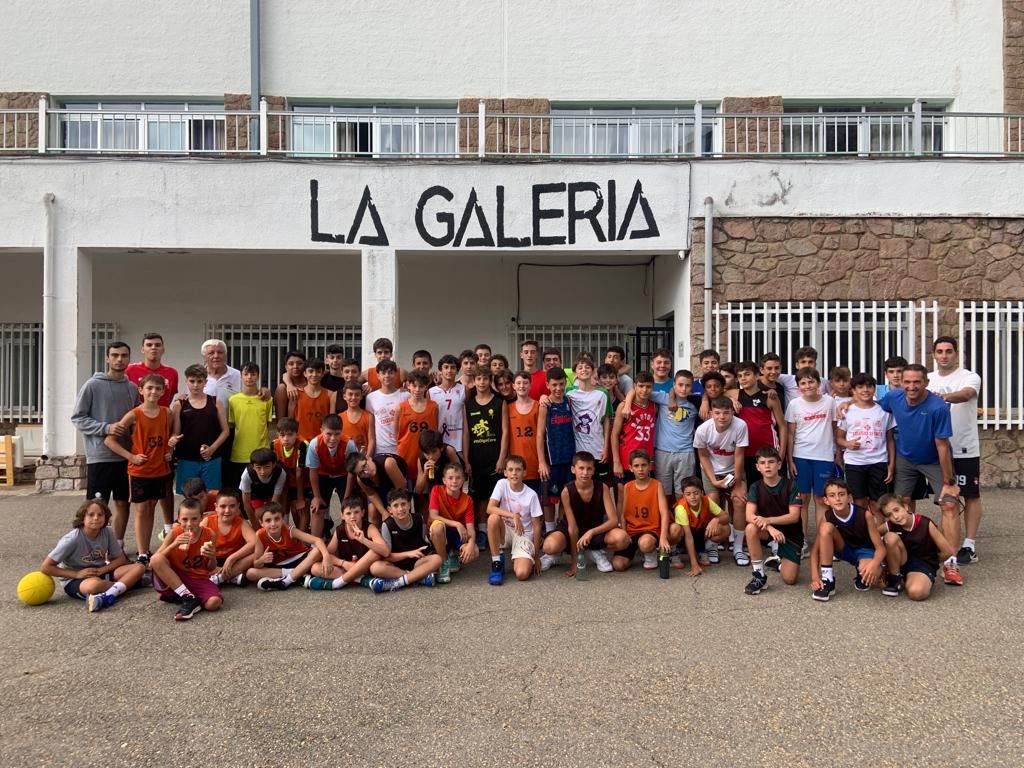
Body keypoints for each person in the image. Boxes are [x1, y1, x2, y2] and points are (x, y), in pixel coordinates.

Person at [875, 363, 963, 586]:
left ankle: (951, 563)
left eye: (917, 382)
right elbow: (871, 404)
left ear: (926, 383)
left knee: (949, 504)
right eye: (907, 382)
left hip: (934, 459)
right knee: (902, 503)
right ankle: (907, 550)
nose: (911, 386)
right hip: (906, 458)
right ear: (900, 382)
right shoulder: (894, 397)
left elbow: (942, 446)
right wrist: (845, 404)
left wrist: (949, 481)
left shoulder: (938, 407)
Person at [104, 374, 180, 564]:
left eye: (158, 388)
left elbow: (169, 438)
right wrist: (131, 456)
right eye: (150, 388)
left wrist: (170, 450)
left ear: (163, 391)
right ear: (141, 390)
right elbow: (109, 440)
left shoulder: (166, 413)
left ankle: (145, 549)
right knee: (140, 510)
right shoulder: (134, 414)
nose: (153, 392)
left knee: (151, 508)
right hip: (140, 471)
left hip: (160, 470)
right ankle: (141, 552)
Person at [71, 341, 138, 551]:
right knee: (96, 507)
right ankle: (92, 549)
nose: (119, 359)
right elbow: (78, 418)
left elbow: (137, 419)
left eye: (124, 355)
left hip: (126, 457)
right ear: (107, 358)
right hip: (99, 456)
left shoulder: (132, 388)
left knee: (123, 504)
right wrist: (106, 428)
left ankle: (116, 548)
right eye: (115, 355)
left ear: (129, 358)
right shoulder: (92, 385)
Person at [927, 336, 983, 566]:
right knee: (946, 499)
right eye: (940, 351)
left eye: (949, 351)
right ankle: (945, 544)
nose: (944, 355)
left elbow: (966, 394)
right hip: (936, 450)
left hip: (964, 447)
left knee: (970, 494)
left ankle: (969, 545)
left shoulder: (969, 377)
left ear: (956, 353)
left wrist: (943, 398)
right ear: (933, 355)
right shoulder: (927, 379)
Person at [40, 498, 146, 613]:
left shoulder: (107, 532)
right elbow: (46, 567)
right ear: (82, 518)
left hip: (100, 572)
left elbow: (120, 559)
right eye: (91, 515)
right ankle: (128, 584)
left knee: (139, 567)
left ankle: (107, 595)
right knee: (93, 586)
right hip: (76, 579)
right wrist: (77, 574)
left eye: (100, 515)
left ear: (105, 517)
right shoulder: (72, 539)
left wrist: (102, 570)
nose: (96, 518)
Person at [125, 332, 179, 541]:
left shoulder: (171, 373)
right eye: (149, 345)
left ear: (163, 348)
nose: (153, 348)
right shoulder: (131, 370)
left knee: (165, 488)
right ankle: (137, 547)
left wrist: (170, 444)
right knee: (141, 504)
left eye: (157, 344)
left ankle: (167, 527)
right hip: (139, 431)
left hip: (161, 430)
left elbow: (169, 399)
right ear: (143, 349)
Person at [540, 451, 627, 575]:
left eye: (589, 469)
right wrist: (575, 563)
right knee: (549, 546)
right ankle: (557, 554)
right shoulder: (567, 491)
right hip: (572, 528)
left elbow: (613, 520)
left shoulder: (602, 488)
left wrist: (591, 532)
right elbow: (572, 528)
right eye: (581, 468)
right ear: (573, 469)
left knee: (622, 539)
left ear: (593, 470)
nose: (585, 473)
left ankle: (593, 550)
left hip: (594, 529)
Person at [629, 369, 701, 506]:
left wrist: (704, 400)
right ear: (673, 385)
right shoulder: (663, 397)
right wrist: (627, 404)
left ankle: (681, 522)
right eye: (680, 385)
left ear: (692, 387)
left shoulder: (695, 404)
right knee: (664, 491)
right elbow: (637, 391)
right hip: (662, 451)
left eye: (687, 385)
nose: (684, 389)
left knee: (683, 492)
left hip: (685, 453)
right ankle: (667, 520)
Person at [784, 367, 838, 548]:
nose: (808, 386)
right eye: (803, 383)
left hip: (824, 456)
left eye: (811, 381)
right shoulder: (794, 405)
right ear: (798, 386)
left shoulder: (830, 402)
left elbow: (835, 428)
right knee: (803, 500)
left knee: (822, 499)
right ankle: (802, 539)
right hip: (801, 456)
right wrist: (790, 459)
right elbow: (791, 433)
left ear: (819, 383)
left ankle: (824, 540)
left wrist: (838, 452)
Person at [809, 479, 886, 601]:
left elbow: (880, 547)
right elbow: (815, 552)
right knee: (826, 528)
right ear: (826, 500)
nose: (837, 499)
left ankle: (865, 572)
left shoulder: (865, 515)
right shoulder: (827, 516)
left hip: (864, 550)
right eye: (832, 495)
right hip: (843, 549)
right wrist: (815, 577)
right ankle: (827, 580)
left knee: (874, 576)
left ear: (849, 497)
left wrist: (874, 564)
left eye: (841, 494)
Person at [693, 396, 749, 564]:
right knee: (712, 501)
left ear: (733, 412)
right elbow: (702, 456)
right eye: (717, 413)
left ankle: (738, 547)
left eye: (726, 413)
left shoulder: (740, 425)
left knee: (739, 501)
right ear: (711, 414)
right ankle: (712, 545)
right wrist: (713, 480)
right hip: (712, 470)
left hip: (733, 470)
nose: (722, 417)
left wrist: (738, 485)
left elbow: (739, 456)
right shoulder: (703, 430)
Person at [149, 498, 222, 621]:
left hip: (198, 578)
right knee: (157, 559)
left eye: (194, 519)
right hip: (177, 577)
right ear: (178, 519)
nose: (189, 524)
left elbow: (210, 567)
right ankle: (188, 597)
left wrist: (212, 556)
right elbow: (153, 562)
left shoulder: (209, 534)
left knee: (214, 603)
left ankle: (187, 597)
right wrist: (174, 545)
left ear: (201, 518)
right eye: (184, 519)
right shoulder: (175, 533)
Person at [743, 447, 803, 595]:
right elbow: (749, 515)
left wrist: (768, 520)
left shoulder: (792, 485)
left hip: (790, 533)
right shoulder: (755, 487)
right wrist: (769, 527)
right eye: (762, 463)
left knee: (790, 579)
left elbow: (794, 516)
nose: (767, 466)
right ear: (758, 467)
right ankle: (759, 575)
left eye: (771, 462)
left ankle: (779, 563)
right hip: (767, 530)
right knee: (750, 528)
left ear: (779, 465)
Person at [836, 373, 894, 521]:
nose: (865, 390)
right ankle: (863, 535)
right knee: (859, 502)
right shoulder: (847, 411)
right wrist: (848, 444)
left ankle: (879, 535)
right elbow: (839, 438)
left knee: (877, 503)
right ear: (853, 391)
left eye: (869, 386)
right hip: (855, 463)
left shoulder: (884, 411)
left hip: (878, 462)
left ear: (875, 389)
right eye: (860, 387)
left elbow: (890, 440)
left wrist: (891, 464)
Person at [171, 364, 229, 511]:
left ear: (205, 382)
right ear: (186, 382)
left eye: (199, 381)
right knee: (190, 499)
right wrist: (173, 440)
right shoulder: (179, 404)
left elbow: (225, 431)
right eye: (192, 381)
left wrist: (213, 448)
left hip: (211, 459)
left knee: (211, 497)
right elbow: (175, 433)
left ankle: (210, 530)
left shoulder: (215, 402)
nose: (196, 385)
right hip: (187, 458)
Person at [878, 493, 957, 601]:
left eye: (896, 510)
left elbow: (947, 551)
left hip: (921, 563)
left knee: (917, 592)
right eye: (889, 515)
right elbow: (871, 535)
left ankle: (915, 579)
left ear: (905, 507)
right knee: (890, 537)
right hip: (900, 561)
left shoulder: (925, 523)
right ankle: (895, 578)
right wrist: (880, 562)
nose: (895, 517)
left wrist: (931, 561)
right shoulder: (890, 525)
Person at [302, 496, 388, 590]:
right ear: (342, 515)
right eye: (348, 513)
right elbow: (329, 554)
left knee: (374, 553)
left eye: (356, 512)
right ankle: (361, 579)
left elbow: (385, 551)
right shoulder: (340, 530)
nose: (352, 516)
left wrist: (364, 540)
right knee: (315, 568)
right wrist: (343, 563)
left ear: (363, 513)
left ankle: (339, 582)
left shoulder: (369, 528)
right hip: (347, 567)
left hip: (366, 568)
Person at [463, 366, 508, 543]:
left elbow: (505, 432)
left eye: (485, 379)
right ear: (473, 381)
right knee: (480, 498)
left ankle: (498, 532)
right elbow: (466, 434)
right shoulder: (468, 404)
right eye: (478, 379)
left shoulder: (499, 402)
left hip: (494, 457)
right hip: (476, 458)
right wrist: (466, 460)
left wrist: (502, 458)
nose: (482, 382)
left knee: (496, 497)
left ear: (490, 381)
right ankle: (482, 531)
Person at [367, 489, 443, 592]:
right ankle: (418, 578)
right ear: (389, 509)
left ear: (409, 505)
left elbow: (424, 543)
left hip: (417, 562)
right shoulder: (387, 525)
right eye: (396, 505)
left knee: (437, 559)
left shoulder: (418, 518)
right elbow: (387, 557)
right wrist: (408, 554)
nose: (400, 508)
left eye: (403, 504)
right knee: (375, 568)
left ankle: (398, 582)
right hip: (396, 565)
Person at [486, 455, 544, 584]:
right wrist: (513, 515)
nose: (514, 473)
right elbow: (490, 508)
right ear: (505, 472)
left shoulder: (531, 495)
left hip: (523, 534)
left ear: (524, 473)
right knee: (493, 518)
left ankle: (518, 555)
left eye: (518, 470)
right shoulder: (501, 484)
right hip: (505, 530)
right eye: (510, 470)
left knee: (522, 574)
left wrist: (536, 556)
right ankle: (496, 561)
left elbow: (536, 526)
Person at [249, 502, 332, 590]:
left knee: (317, 551)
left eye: (277, 519)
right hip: (280, 566)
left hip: (300, 559)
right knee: (250, 573)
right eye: (268, 520)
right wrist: (262, 560)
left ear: (282, 519)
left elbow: (316, 540)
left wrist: (326, 556)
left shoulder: (289, 530)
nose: (273, 524)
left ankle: (285, 581)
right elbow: (256, 564)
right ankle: (299, 575)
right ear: (261, 523)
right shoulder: (259, 535)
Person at [613, 449, 671, 571]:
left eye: (644, 465)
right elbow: (623, 514)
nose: (640, 469)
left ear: (650, 466)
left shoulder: (657, 485)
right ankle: (635, 554)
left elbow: (664, 512)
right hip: (632, 531)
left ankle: (650, 552)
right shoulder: (627, 487)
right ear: (630, 468)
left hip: (650, 530)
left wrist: (663, 537)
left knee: (645, 543)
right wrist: (624, 533)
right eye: (636, 466)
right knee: (618, 565)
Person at [733, 361, 787, 488]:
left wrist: (781, 454)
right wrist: (730, 400)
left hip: (768, 451)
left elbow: (783, 426)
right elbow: (714, 394)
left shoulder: (769, 397)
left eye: (747, 374)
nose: (743, 378)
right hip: (746, 451)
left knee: (775, 490)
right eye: (740, 376)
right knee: (753, 490)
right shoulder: (735, 394)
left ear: (757, 376)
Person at [536, 366, 575, 531]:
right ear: (547, 385)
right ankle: (550, 529)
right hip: (552, 459)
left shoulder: (569, 401)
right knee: (549, 499)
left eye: (561, 384)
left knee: (568, 495)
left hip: (569, 457)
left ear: (566, 382)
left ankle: (564, 527)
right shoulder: (546, 404)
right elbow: (539, 435)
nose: (558, 388)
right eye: (554, 385)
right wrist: (542, 462)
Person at [428, 462, 480, 583]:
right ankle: (443, 562)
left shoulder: (467, 500)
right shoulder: (437, 490)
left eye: (458, 478)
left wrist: (471, 544)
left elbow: (470, 528)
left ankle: (454, 554)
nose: (454, 481)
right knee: (437, 527)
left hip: (457, 534)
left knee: (475, 551)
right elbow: (433, 515)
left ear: (463, 480)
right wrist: (457, 523)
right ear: (444, 480)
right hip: (441, 532)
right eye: (450, 478)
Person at [226, 362, 274, 491]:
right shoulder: (233, 400)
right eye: (246, 374)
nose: (249, 377)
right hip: (239, 453)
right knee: (241, 492)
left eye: (253, 374)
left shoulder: (267, 399)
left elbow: (267, 424)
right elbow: (232, 425)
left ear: (258, 376)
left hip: (261, 451)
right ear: (241, 376)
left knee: (261, 492)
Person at [307, 414, 356, 538]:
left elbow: (351, 473)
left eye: (337, 434)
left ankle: (349, 540)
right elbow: (312, 471)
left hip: (343, 475)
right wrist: (317, 497)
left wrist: (346, 498)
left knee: (348, 509)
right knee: (317, 508)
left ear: (342, 432)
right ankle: (315, 545)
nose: (333, 438)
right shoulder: (314, 444)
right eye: (329, 434)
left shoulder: (349, 444)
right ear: (321, 431)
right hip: (323, 475)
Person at [565, 353, 611, 484]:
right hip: (577, 450)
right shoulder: (569, 392)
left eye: (587, 367)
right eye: (580, 368)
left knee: (600, 487)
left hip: (597, 448)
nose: (584, 370)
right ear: (574, 373)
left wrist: (606, 447)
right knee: (579, 488)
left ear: (593, 371)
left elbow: (607, 420)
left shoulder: (602, 393)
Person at [672, 475, 731, 574]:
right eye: (688, 494)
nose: (692, 497)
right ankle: (674, 552)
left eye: (696, 493)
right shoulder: (681, 508)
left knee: (725, 529)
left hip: (700, 532)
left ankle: (704, 548)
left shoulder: (706, 500)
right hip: (684, 536)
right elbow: (688, 537)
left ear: (702, 492)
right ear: (683, 495)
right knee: (675, 529)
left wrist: (716, 520)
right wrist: (694, 565)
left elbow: (726, 517)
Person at [201, 490, 258, 586]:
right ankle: (232, 577)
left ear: (238, 506)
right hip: (213, 561)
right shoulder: (207, 521)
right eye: (223, 506)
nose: (227, 510)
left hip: (235, 560)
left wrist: (231, 558)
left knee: (257, 553)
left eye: (232, 506)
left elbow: (255, 542)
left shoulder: (241, 523)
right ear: (216, 507)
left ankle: (221, 577)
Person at [610, 370, 656, 484]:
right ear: (635, 386)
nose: (644, 390)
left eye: (648, 387)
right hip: (627, 459)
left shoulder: (654, 406)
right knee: (623, 496)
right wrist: (616, 462)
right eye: (641, 386)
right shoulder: (624, 407)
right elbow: (614, 435)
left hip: (647, 460)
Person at [395, 370, 439, 483]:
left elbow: (435, 429)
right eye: (414, 385)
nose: (417, 389)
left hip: (426, 454)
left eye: (421, 386)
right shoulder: (401, 407)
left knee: (423, 494)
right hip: (406, 453)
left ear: (426, 387)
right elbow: (396, 433)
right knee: (407, 492)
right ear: (408, 385)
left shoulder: (433, 406)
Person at [506, 370, 542, 507]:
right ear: (513, 386)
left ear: (530, 385)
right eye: (519, 383)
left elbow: (542, 436)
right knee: (515, 503)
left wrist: (542, 461)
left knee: (535, 501)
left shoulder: (538, 406)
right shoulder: (508, 408)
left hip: (533, 462)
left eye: (525, 383)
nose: (522, 386)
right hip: (514, 464)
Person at [347, 450, 409, 525]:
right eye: (361, 472)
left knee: (400, 511)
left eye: (365, 465)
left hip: (397, 485)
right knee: (373, 514)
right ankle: (375, 535)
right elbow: (372, 495)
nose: (366, 472)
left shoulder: (388, 464)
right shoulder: (360, 480)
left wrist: (393, 508)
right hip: (379, 490)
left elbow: (401, 489)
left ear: (368, 458)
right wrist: (384, 512)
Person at [272, 417, 310, 533]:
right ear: (278, 434)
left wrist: (300, 498)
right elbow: (276, 469)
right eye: (282, 435)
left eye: (289, 435)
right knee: (289, 508)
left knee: (302, 508)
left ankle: (303, 539)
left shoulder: (302, 444)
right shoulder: (274, 444)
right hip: (287, 481)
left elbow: (299, 473)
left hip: (304, 482)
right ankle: (287, 533)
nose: (286, 439)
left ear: (296, 434)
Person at [365, 359, 409, 457]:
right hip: (381, 449)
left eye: (390, 372)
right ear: (378, 376)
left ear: (396, 374)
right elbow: (371, 428)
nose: (387, 376)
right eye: (383, 373)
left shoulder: (406, 396)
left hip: (402, 447)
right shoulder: (371, 398)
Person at [290, 358, 336, 444]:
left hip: (322, 442)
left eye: (318, 371)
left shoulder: (330, 395)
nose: (314, 375)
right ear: (305, 373)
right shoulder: (296, 394)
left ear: (323, 374)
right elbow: (290, 420)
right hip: (300, 442)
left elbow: (331, 421)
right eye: (311, 371)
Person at [239, 447, 287, 528]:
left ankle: (280, 528)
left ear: (274, 464)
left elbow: (274, 503)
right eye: (258, 468)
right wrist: (255, 527)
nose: (263, 472)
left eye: (267, 467)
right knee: (259, 513)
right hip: (255, 494)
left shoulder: (281, 473)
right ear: (253, 466)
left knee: (275, 511)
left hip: (272, 493)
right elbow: (246, 505)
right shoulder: (246, 475)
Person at [429, 354, 466, 452]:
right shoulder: (431, 392)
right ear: (440, 370)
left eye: (453, 368)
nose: (449, 370)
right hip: (439, 442)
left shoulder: (464, 389)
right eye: (446, 367)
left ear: (457, 371)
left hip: (459, 443)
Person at [413, 429, 462, 497]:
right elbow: (418, 491)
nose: (430, 457)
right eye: (427, 453)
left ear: (441, 448)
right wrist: (425, 474)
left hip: (452, 488)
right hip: (435, 491)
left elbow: (460, 474)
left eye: (434, 452)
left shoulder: (448, 451)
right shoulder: (421, 459)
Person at [274, 350, 307, 430]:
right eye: (291, 364)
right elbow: (280, 420)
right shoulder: (283, 388)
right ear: (286, 367)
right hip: (290, 433)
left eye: (299, 363)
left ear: (305, 365)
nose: (295, 366)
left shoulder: (311, 382)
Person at [339, 380, 374, 455]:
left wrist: (367, 458)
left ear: (361, 396)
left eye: (357, 394)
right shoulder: (339, 417)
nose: (354, 397)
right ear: (344, 396)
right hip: (345, 459)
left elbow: (371, 441)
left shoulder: (369, 416)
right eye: (350, 394)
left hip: (363, 458)